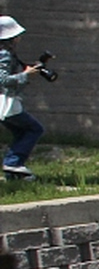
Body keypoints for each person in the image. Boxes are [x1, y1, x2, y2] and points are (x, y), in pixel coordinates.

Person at [0, 16, 46, 179]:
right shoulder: (4, 55)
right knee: (34, 129)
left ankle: (13, 170)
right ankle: (13, 163)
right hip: (6, 103)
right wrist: (25, 75)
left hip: (6, 103)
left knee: (22, 132)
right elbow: (3, 80)